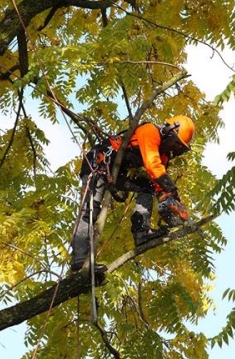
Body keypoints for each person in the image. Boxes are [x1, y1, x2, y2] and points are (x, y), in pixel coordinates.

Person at [69, 115, 195, 272]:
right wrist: (171, 188)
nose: (175, 150)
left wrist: (172, 199)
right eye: (176, 144)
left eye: (179, 148)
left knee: (147, 187)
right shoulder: (150, 131)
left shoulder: (162, 154)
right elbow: (152, 165)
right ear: (170, 131)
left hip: (116, 175)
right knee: (90, 209)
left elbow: (158, 183)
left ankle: (142, 231)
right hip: (99, 164)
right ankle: (80, 258)